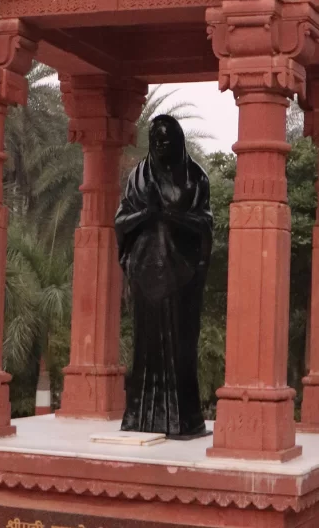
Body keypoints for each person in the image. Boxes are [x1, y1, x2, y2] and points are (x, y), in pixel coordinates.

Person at [115, 115, 213, 438]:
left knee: (181, 348)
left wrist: (170, 215)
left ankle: (183, 419)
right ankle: (141, 416)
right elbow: (122, 221)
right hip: (145, 275)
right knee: (145, 348)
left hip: (181, 278)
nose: (161, 147)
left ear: (179, 142)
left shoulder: (195, 178)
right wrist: (147, 213)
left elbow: (204, 224)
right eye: (156, 141)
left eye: (167, 141)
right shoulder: (138, 178)